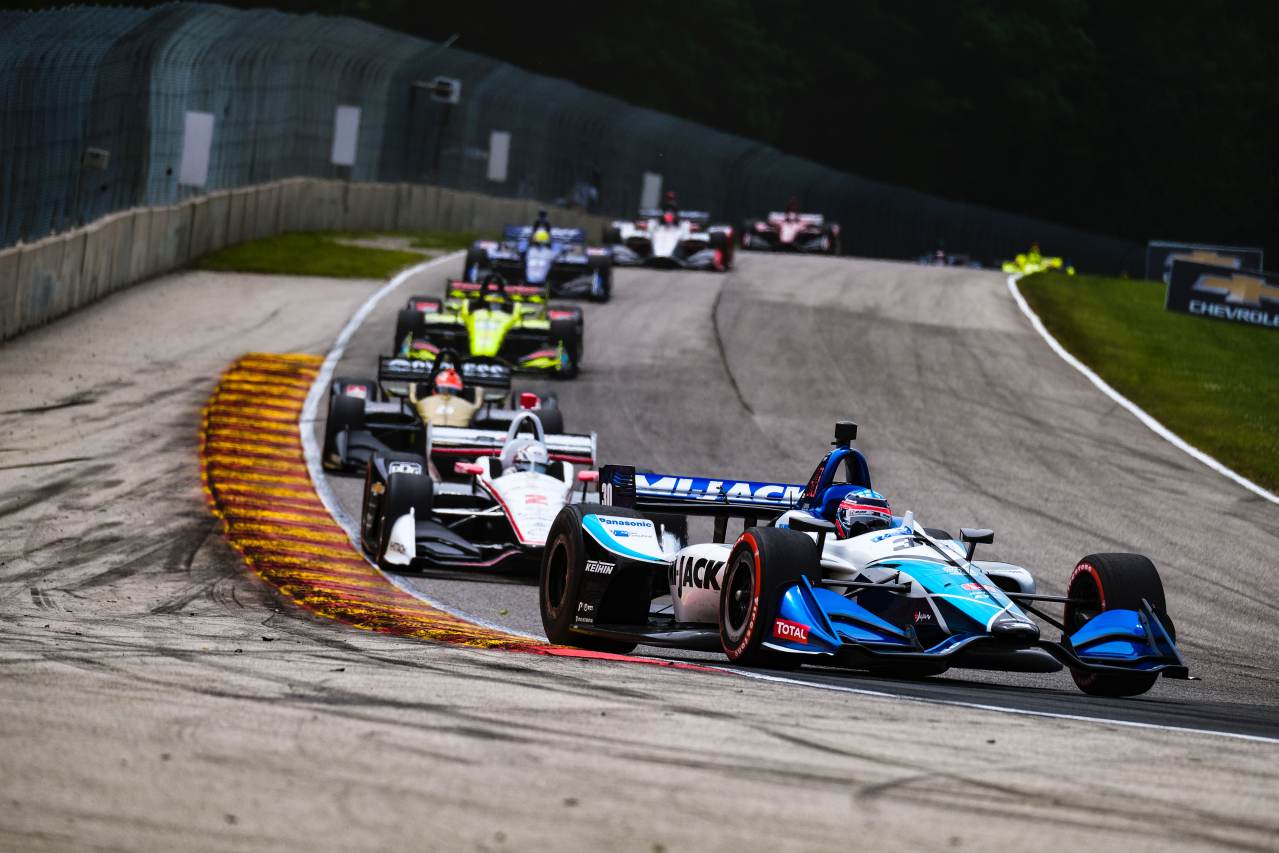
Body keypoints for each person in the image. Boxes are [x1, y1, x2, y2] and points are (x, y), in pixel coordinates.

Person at [407, 365, 481, 428]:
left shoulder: (422, 403)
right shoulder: (470, 406)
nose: (446, 393)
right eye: (443, 389)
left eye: (451, 390)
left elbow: (413, 397)